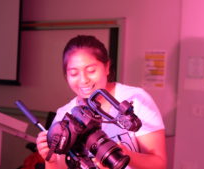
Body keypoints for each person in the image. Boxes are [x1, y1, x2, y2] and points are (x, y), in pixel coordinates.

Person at [36, 35, 167, 169]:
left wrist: (124, 155)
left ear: (107, 67)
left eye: (91, 70)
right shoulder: (64, 115)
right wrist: (51, 160)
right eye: (74, 73)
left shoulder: (136, 99)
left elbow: (159, 164)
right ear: (66, 76)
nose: (83, 80)